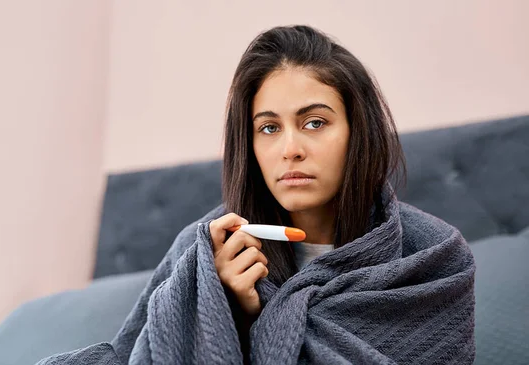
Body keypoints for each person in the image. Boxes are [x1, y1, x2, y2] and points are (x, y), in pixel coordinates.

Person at [37, 25, 475, 365]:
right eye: (268, 128)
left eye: (315, 122)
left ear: (357, 132)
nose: (290, 149)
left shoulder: (434, 260)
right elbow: (141, 353)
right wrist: (226, 313)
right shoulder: (207, 250)